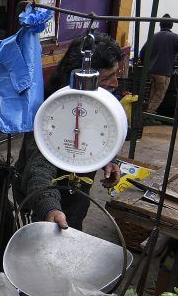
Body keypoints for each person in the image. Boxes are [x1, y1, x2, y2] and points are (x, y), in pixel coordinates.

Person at [15, 33, 124, 230]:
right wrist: (49, 207)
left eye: (116, 74)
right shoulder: (49, 110)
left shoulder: (96, 104)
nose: (115, 83)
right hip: (42, 201)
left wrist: (108, 158)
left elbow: (99, 133)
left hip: (77, 196)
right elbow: (39, 167)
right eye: (108, 77)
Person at [141, 15, 178, 115]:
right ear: (171, 25)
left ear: (160, 25)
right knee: (159, 95)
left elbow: (142, 52)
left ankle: (144, 113)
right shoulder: (175, 37)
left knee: (152, 93)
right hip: (164, 72)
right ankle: (148, 115)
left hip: (151, 71)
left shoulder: (154, 36)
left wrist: (146, 65)